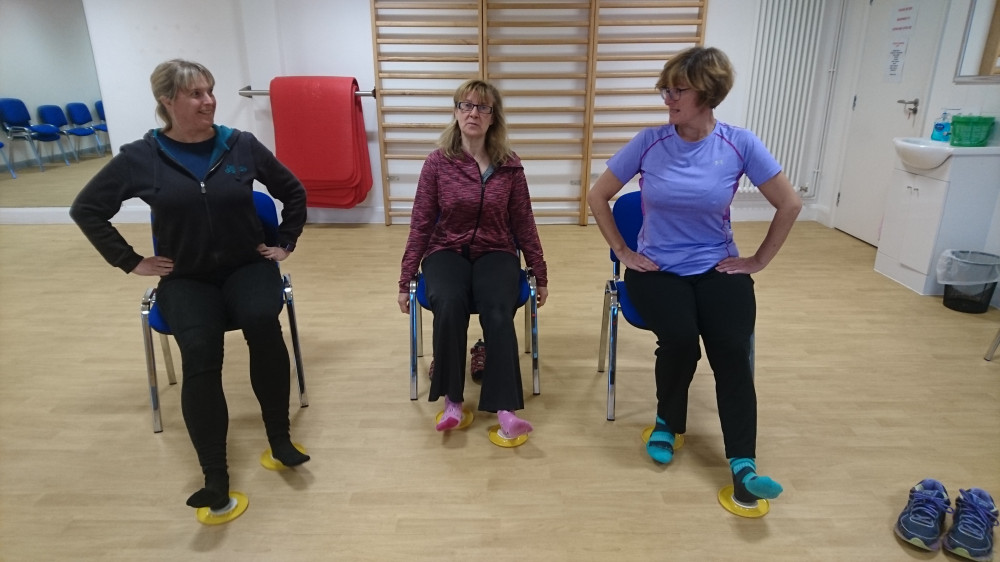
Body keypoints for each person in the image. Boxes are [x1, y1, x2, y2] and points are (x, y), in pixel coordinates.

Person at [70, 59, 310, 512]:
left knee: (262, 321)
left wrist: (285, 242)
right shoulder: (142, 158)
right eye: (196, 94)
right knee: (199, 352)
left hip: (247, 266)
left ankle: (279, 439)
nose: (209, 101)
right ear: (167, 101)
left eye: (210, 90)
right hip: (186, 278)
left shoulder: (240, 145)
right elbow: (87, 209)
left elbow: (292, 190)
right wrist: (130, 261)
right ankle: (214, 475)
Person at [587, 46, 802, 505]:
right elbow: (598, 196)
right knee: (681, 339)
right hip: (657, 268)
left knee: (730, 348)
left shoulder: (739, 143)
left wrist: (758, 260)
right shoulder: (649, 141)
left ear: (708, 91)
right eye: (665, 88)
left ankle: (743, 462)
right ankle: (668, 422)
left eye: (678, 89)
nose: (668, 98)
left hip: (718, 266)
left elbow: (790, 203)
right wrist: (624, 251)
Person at [397, 79, 548, 437]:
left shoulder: (509, 165)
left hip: (496, 250)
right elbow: (420, 222)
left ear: (493, 117)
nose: (473, 113)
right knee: (449, 302)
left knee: (498, 307)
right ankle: (452, 399)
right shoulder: (437, 163)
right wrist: (405, 279)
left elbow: (524, 221)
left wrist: (539, 272)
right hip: (445, 250)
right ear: (455, 112)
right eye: (465, 106)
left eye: (482, 107)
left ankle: (505, 408)